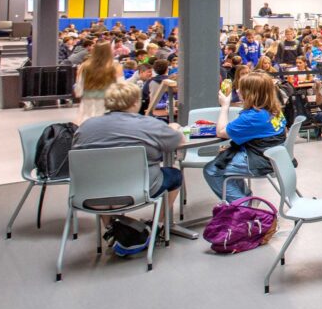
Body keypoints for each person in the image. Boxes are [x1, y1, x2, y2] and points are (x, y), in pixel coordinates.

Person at [74, 78, 184, 218]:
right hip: (141, 190)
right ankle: (161, 223)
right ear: (136, 102)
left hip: (91, 193)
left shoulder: (85, 127)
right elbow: (179, 141)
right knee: (175, 175)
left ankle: (111, 229)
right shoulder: (149, 125)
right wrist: (175, 128)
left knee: (104, 173)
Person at [204, 71, 286, 201]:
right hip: (273, 157)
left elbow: (221, 132)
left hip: (259, 161)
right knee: (228, 166)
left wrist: (225, 105)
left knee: (212, 170)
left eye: (241, 88)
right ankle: (247, 199)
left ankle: (243, 204)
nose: (237, 90)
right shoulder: (273, 110)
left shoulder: (253, 116)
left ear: (251, 93)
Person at [75, 40, 118, 124]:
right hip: (107, 100)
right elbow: (119, 85)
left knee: (87, 119)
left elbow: (79, 84)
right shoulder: (114, 66)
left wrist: (79, 94)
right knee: (104, 121)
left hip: (88, 98)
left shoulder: (85, 65)